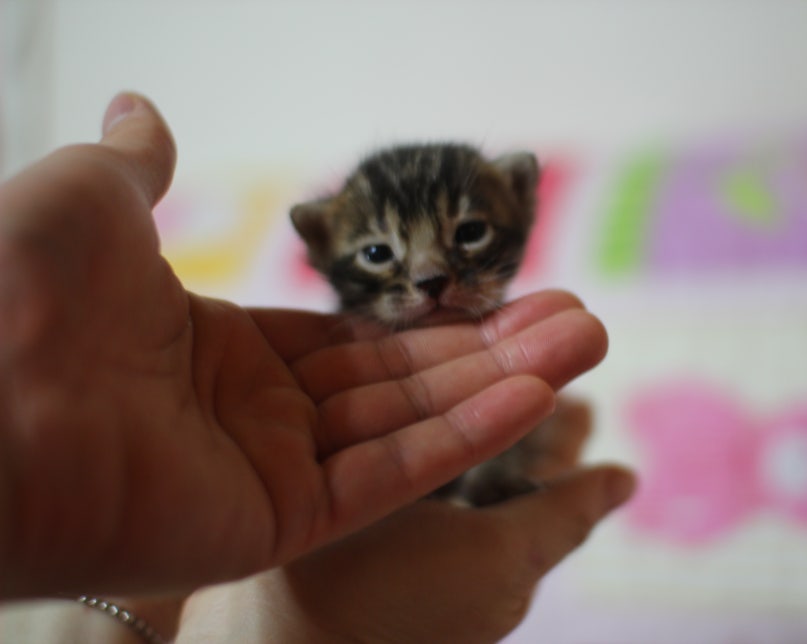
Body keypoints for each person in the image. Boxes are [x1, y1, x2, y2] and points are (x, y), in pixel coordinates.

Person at [0, 93, 636, 641]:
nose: (430, 276)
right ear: (321, 246)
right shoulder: (316, 403)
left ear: (522, 201)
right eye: (380, 253)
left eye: (468, 233)